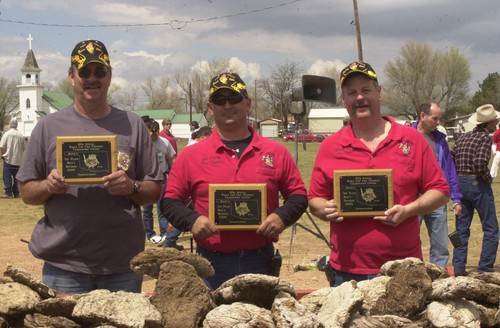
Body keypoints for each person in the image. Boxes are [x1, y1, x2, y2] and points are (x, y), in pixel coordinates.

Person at [16, 40, 162, 294]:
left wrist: (131, 186)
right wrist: (48, 186)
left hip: (122, 264)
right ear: (72, 77)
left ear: (109, 76)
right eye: (84, 72)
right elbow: (27, 192)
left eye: (99, 72)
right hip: (64, 265)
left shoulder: (134, 125)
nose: (92, 79)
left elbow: (154, 189)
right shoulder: (47, 127)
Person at [308, 61, 450, 287]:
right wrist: (323, 209)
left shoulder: (412, 140)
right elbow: (314, 199)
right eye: (352, 92)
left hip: (403, 269)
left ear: (379, 92)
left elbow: (441, 191)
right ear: (344, 99)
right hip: (347, 271)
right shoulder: (330, 146)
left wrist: (408, 210)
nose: (359, 98)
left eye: (366, 90)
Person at [161, 72, 308, 290]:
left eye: (234, 98)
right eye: (220, 100)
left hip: (261, 259)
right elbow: (169, 201)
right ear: (210, 108)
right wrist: (192, 220)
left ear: (247, 103)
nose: (227, 105)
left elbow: (298, 196)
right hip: (211, 264)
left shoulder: (275, 152)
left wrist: (281, 217)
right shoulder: (191, 155)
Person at [451, 104, 500, 276]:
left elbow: (452, 157)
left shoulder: (463, 137)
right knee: (491, 228)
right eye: (495, 121)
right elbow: (480, 164)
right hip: (476, 183)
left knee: (462, 228)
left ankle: (458, 268)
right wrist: (488, 178)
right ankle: (485, 268)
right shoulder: (485, 139)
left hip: (460, 182)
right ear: (490, 123)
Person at [413, 102, 462, 267]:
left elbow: (449, 168)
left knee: (440, 244)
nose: (438, 122)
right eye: (435, 118)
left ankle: (438, 276)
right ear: (422, 116)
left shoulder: (440, 139)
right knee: (409, 240)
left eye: (440, 119)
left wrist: (456, 197)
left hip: (437, 196)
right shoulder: (406, 135)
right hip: (413, 198)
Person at [140, 118, 180, 249]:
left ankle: (164, 233)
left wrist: (174, 176)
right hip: (146, 178)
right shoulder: (143, 143)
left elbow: (172, 159)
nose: (153, 136)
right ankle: (150, 233)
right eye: (151, 133)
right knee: (147, 209)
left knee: (162, 207)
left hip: (161, 177)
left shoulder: (164, 142)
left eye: (155, 133)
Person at [0, 119, 25, 198]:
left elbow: (2, 146)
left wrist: (2, 155)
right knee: (17, 178)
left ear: (10, 124)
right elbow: (23, 148)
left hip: (8, 158)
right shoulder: (20, 135)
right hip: (18, 159)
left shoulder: (6, 134)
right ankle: (16, 193)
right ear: (17, 125)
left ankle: (8, 192)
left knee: (7, 176)